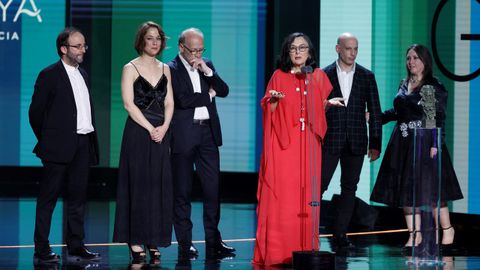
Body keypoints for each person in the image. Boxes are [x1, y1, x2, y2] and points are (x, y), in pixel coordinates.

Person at [370, 44, 463, 254]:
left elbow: (434, 118)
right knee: (406, 191)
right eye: (408, 58)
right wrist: (377, 118)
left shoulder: (430, 86)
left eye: (416, 58)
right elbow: (398, 111)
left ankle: (447, 230)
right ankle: (414, 234)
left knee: (431, 192)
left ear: (425, 61)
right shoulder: (404, 84)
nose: (411, 61)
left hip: (423, 144)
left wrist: (434, 144)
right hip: (402, 144)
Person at [253, 32, 333, 266]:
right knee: (283, 196)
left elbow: (319, 106)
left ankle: (306, 247)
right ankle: (279, 251)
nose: (298, 52)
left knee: (306, 195)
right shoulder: (278, 76)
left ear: (310, 52)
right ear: (287, 52)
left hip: (308, 144)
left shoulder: (318, 76)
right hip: (283, 145)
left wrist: (327, 105)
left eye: (302, 48)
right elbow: (268, 108)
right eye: (293, 48)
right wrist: (274, 102)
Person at [29, 27, 101, 264]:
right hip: (57, 147)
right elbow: (36, 113)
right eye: (77, 46)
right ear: (63, 49)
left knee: (78, 199)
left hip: (82, 144)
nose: (83, 50)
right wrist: (50, 139)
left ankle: (76, 246)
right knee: (48, 200)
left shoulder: (84, 74)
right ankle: (41, 249)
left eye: (84, 46)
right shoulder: (49, 74)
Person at [167, 28, 235, 259]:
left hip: (208, 135)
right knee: (182, 192)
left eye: (200, 50)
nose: (197, 54)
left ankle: (214, 241)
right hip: (184, 135)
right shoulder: (171, 68)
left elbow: (224, 90)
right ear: (181, 47)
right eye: (192, 50)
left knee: (212, 191)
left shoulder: (207, 64)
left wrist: (207, 72)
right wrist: (209, 96)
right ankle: (185, 244)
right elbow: (182, 99)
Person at [112, 21, 174, 263]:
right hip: (139, 131)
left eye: (158, 38)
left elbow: (170, 102)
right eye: (150, 38)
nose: (155, 42)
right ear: (142, 41)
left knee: (158, 186)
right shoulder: (130, 68)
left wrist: (164, 127)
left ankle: (153, 238)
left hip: (162, 131)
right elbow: (129, 104)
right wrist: (151, 129)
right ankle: (135, 239)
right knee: (137, 184)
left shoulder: (166, 69)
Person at [321, 32, 383, 250]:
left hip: (356, 141)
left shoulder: (367, 76)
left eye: (356, 48)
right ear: (338, 49)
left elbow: (375, 112)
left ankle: (340, 235)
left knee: (349, 188)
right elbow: (315, 107)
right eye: (348, 48)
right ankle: (307, 232)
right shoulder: (323, 74)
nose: (353, 53)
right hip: (330, 139)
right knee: (319, 185)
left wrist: (375, 144)